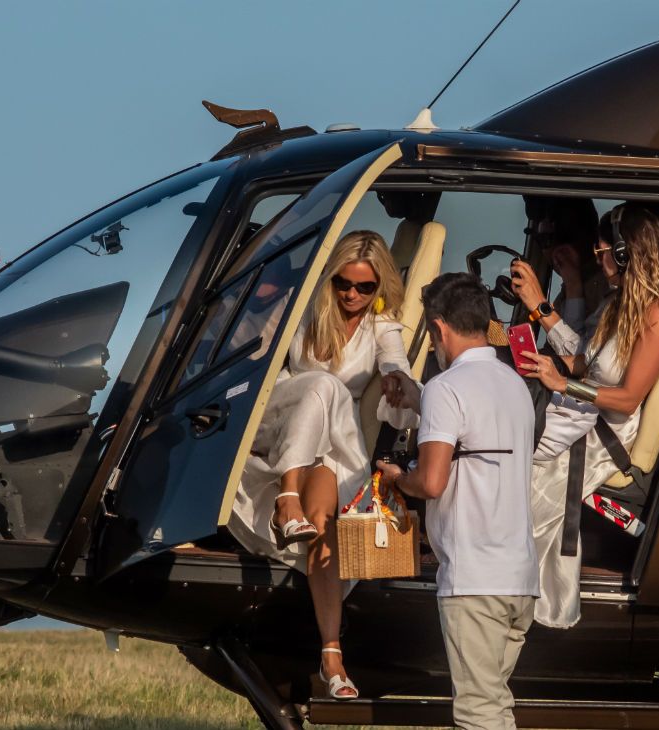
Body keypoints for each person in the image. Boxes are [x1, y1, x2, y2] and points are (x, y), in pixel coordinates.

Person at [228, 230, 417, 700]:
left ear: (378, 289)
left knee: (323, 531)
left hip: (335, 439)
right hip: (286, 410)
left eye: (364, 288)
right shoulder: (306, 306)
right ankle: (284, 497)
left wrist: (395, 378)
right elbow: (261, 355)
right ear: (330, 277)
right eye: (343, 284)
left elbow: (396, 362)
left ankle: (331, 654)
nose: (351, 295)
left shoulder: (381, 326)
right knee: (322, 386)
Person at [377, 273, 538, 730]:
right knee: (495, 707)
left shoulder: (448, 388)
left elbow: (431, 482)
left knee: (477, 715)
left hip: (474, 580)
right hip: (519, 580)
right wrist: (420, 396)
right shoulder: (514, 386)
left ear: (438, 329)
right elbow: (475, 431)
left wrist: (397, 477)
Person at [510, 204, 659, 629]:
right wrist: (553, 302)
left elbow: (626, 399)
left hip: (603, 431)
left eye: (604, 251)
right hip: (581, 413)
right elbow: (584, 360)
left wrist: (562, 383)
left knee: (506, 453)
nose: (599, 258)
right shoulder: (618, 302)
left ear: (627, 255)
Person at [523, 197, 607, 337]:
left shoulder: (605, 292)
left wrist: (539, 305)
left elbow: (577, 355)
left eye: (544, 241)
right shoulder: (568, 292)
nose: (546, 252)